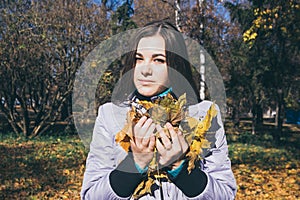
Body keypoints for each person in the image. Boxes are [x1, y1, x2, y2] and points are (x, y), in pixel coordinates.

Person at [81, 20, 237, 200]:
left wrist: (180, 167)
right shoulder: (109, 116)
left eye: (158, 60)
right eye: (139, 59)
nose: (145, 70)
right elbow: (91, 195)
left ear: (175, 65)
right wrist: (135, 163)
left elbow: (225, 194)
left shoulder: (205, 115)